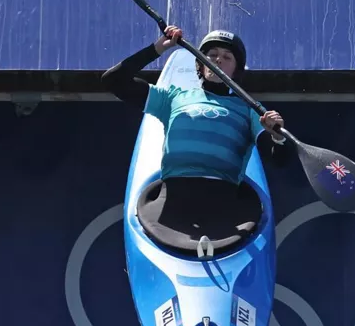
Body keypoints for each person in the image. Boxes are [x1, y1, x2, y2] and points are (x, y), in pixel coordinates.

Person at [102, 27, 292, 256]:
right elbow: (113, 80)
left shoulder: (250, 110)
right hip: (172, 200)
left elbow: (278, 160)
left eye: (227, 57)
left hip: (223, 205)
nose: (218, 60)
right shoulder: (172, 98)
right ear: (200, 63)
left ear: (237, 69)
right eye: (211, 54)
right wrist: (157, 48)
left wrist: (277, 136)